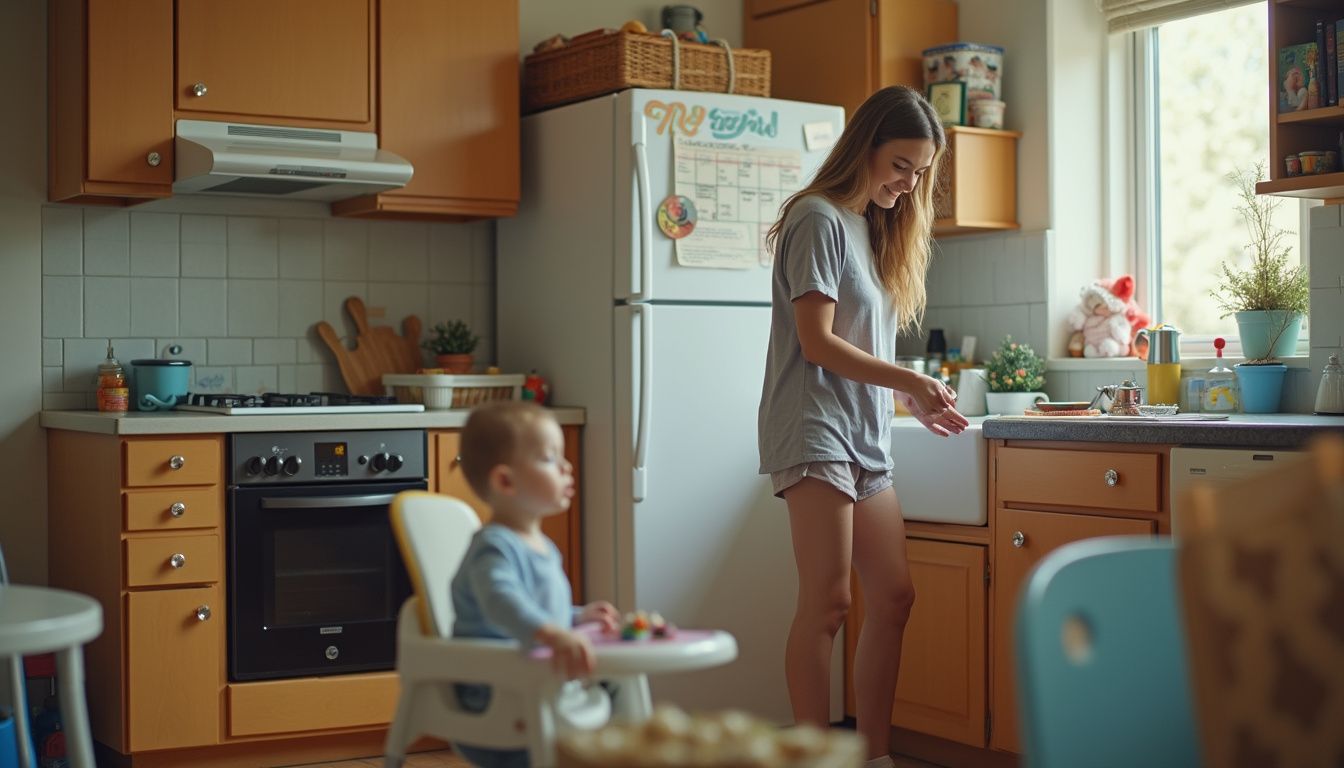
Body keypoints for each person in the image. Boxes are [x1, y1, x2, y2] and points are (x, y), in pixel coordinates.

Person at [757, 85, 970, 767]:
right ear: (867, 147)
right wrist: (909, 380)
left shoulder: (865, 226)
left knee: (895, 595)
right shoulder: (817, 219)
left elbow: (857, 340)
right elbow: (816, 343)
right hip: (814, 426)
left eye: (919, 173)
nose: (908, 186)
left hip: (862, 432)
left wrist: (907, 398)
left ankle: (871, 756)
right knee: (827, 603)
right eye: (901, 165)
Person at [451, 401, 620, 768]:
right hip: (496, 693)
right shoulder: (494, 547)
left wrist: (577, 617)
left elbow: (538, 610)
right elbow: (501, 602)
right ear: (505, 481)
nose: (566, 467)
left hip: (532, 679)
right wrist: (553, 635)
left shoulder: (541, 546)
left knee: (616, 690)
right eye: (549, 458)